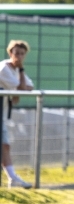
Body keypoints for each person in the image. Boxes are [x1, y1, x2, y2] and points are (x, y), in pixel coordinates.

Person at [0, 40, 34, 189]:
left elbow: (30, 87)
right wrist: (20, 73)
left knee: (4, 145)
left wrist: (20, 73)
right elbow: (20, 90)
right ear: (10, 53)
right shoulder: (3, 69)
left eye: (22, 54)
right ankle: (12, 177)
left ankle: (12, 178)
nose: (19, 57)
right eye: (16, 53)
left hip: (2, 112)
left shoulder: (17, 70)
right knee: (4, 145)